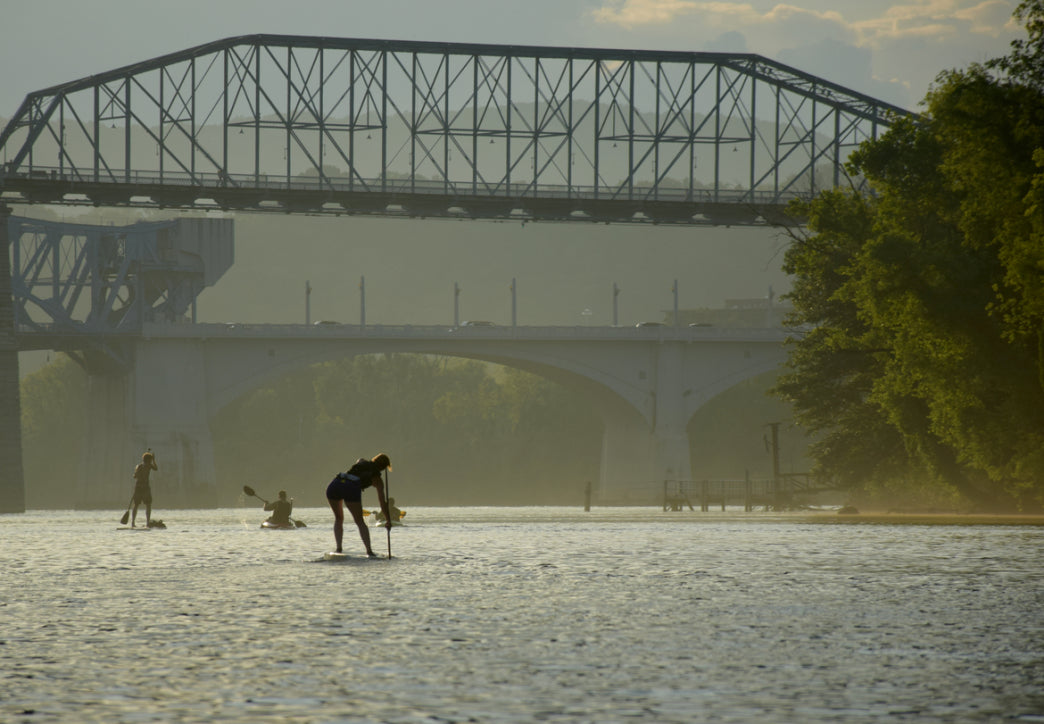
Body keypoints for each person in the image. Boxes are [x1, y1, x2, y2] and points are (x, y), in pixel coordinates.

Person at [325, 453, 392, 556]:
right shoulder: (378, 480)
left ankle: (338, 549)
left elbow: (359, 461)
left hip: (336, 483)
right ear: (383, 468)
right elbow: (382, 503)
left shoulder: (362, 461)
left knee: (338, 518)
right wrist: (388, 520)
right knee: (360, 521)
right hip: (351, 487)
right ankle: (369, 551)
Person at [131, 451, 158, 528]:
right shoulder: (141, 466)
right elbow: (135, 476)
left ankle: (146, 522)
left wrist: (153, 460)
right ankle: (133, 522)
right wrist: (153, 460)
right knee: (137, 505)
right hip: (141, 488)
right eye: (150, 460)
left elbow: (156, 468)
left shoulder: (145, 466)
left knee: (147, 504)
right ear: (148, 460)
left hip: (143, 487)